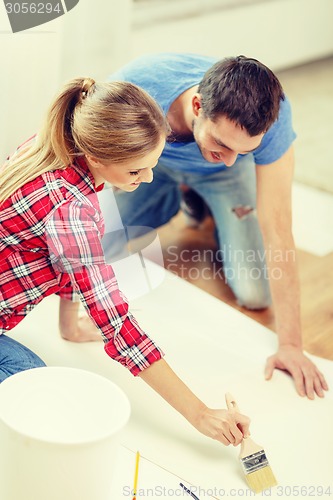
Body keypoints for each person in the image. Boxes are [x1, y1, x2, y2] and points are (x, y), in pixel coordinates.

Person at [0, 77, 250, 447]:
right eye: (135, 171)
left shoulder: (55, 144)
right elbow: (115, 321)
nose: (147, 179)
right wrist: (199, 413)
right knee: (37, 392)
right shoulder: (70, 210)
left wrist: (69, 326)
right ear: (98, 156)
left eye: (151, 165)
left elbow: (68, 260)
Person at [100, 53, 328, 400]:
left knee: (255, 293)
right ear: (196, 104)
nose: (232, 156)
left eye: (244, 149)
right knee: (96, 248)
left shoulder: (271, 120)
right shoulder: (136, 89)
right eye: (222, 142)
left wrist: (292, 345)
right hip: (150, 167)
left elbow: (278, 227)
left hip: (224, 181)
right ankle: (179, 198)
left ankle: (207, 204)